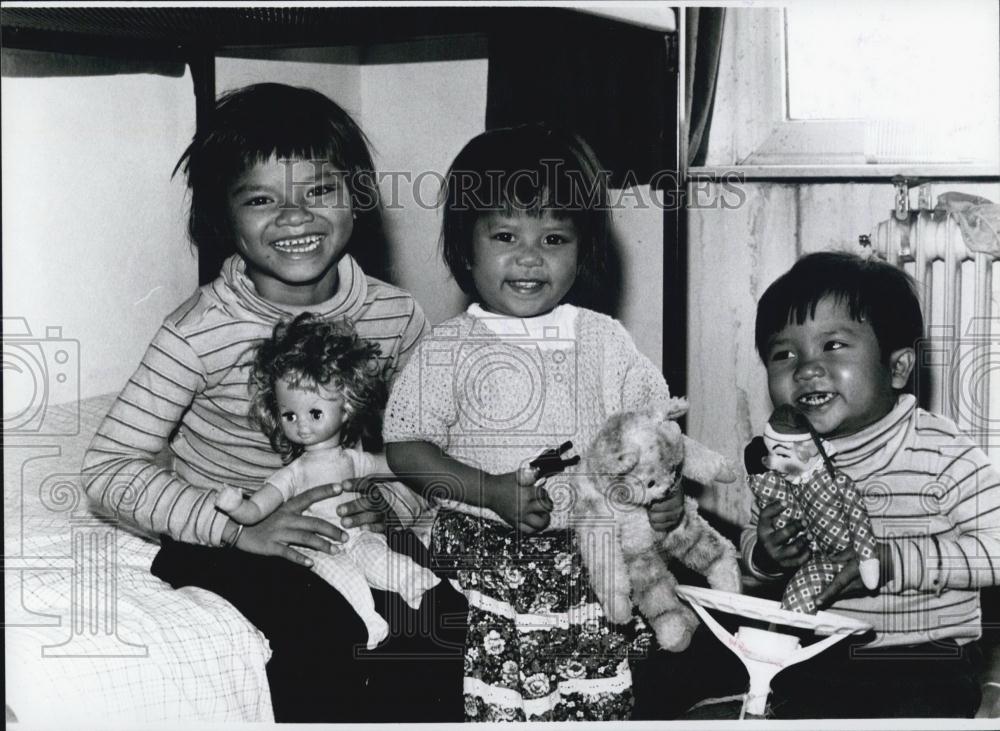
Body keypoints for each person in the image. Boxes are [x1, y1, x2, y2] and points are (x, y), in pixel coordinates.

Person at [82, 82, 465, 723]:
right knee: (323, 633)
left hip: (346, 525)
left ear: (357, 199)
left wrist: (389, 503)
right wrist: (236, 527)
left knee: (448, 616)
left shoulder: (396, 315)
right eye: (261, 199)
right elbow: (108, 471)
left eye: (319, 190)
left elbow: (417, 445)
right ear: (221, 218)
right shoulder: (196, 331)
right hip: (225, 531)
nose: (294, 217)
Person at [382, 124, 693, 721]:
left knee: (601, 695)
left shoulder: (604, 338)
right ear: (465, 247)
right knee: (504, 701)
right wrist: (490, 492)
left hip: (595, 556)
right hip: (490, 557)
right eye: (505, 235)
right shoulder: (451, 346)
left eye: (554, 237)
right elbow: (406, 447)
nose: (529, 257)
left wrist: (667, 495)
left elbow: (655, 430)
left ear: (585, 250)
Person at [740, 250, 1000, 718]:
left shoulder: (940, 450)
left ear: (897, 367)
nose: (805, 368)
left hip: (923, 656)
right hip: (816, 653)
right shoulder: (785, 457)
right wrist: (766, 553)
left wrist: (892, 561)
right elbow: (751, 537)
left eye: (833, 345)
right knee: (780, 698)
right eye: (784, 353)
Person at [215, 313, 440, 649]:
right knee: (343, 582)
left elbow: (396, 465)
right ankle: (368, 621)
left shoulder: (352, 459)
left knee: (384, 560)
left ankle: (416, 583)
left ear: (346, 409)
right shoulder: (295, 471)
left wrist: (427, 461)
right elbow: (258, 508)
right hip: (318, 545)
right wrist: (236, 506)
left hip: (359, 535)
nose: (302, 425)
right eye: (290, 415)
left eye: (314, 413)